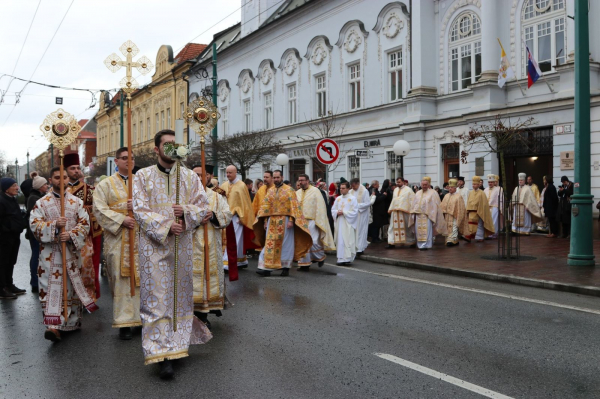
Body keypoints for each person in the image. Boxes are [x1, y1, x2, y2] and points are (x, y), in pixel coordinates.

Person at [132, 130, 211, 378]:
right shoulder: (142, 176)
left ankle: (176, 348)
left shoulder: (189, 176)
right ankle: (158, 352)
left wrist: (185, 212)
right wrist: (166, 225)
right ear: (156, 149)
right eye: (166, 144)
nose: (170, 148)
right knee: (155, 299)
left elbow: (203, 207)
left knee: (179, 297)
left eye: (174, 144)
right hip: (152, 247)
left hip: (182, 245)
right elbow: (139, 208)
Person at [29, 167, 98, 341]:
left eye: (64, 177)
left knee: (70, 288)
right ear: (50, 180)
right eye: (57, 177)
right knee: (50, 287)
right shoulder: (42, 203)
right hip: (50, 255)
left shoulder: (76, 202)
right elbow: (34, 225)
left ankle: (70, 322)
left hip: (71, 253)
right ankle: (53, 326)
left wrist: (71, 234)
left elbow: (85, 224)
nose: (61, 180)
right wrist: (53, 226)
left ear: (68, 179)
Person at [93, 147, 142, 340]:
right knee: (120, 278)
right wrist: (122, 219)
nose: (128, 161)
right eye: (124, 158)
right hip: (118, 239)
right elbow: (98, 209)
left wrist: (137, 207)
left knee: (142, 279)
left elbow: (155, 206)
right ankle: (124, 323)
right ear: (116, 161)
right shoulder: (105, 185)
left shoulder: (142, 182)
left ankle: (140, 318)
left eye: (131, 158)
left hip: (140, 237)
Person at [191, 165, 232, 329]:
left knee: (208, 279)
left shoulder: (216, 197)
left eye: (202, 175)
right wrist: (195, 218)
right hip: (191, 245)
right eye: (195, 175)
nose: (199, 178)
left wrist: (213, 215)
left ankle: (203, 314)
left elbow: (227, 215)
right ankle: (190, 313)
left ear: (208, 176)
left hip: (211, 244)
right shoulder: (183, 196)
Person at [253, 170, 311, 276]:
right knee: (269, 244)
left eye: (277, 177)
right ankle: (266, 268)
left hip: (285, 221)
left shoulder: (289, 190)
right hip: (272, 221)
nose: (276, 179)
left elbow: (294, 207)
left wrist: (291, 220)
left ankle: (285, 267)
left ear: (282, 177)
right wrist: (265, 221)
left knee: (286, 245)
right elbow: (265, 207)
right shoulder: (270, 191)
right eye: (274, 178)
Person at [64, 153, 102, 300]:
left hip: (86, 236)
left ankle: (88, 296)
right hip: (65, 235)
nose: (76, 171)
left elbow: (97, 210)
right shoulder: (58, 190)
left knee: (86, 266)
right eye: (72, 168)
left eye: (77, 168)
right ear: (65, 170)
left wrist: (83, 210)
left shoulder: (90, 190)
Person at [220, 165, 256, 275]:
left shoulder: (241, 186)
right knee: (232, 240)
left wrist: (243, 217)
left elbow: (245, 203)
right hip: (225, 216)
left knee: (234, 240)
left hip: (236, 217)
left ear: (236, 172)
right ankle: (241, 260)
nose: (228, 174)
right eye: (227, 172)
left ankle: (227, 263)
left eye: (230, 172)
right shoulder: (224, 185)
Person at [296, 174, 335, 270]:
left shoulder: (315, 191)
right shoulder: (297, 193)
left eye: (302, 180)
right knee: (302, 242)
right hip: (300, 221)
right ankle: (304, 264)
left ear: (307, 180)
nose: (300, 182)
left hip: (312, 220)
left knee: (313, 242)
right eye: (299, 180)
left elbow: (321, 206)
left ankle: (320, 258)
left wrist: (320, 220)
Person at [0, 177, 26, 299]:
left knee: (11, 261)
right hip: (5, 238)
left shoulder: (12, 199)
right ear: (6, 189)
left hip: (14, 236)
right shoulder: (1, 201)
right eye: (14, 185)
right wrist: (8, 229)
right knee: (3, 262)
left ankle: (9, 284)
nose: (17, 188)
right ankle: (2, 288)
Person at [26, 176, 49, 293]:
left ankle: (37, 280)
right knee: (36, 255)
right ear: (40, 186)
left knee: (37, 255)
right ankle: (35, 282)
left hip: (37, 232)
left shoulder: (36, 196)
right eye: (45, 184)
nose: (47, 186)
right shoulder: (34, 198)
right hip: (35, 232)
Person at [409, 177, 446, 250]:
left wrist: (433, 213)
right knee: (418, 230)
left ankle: (427, 245)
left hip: (428, 215)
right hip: (418, 215)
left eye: (426, 184)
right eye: (423, 184)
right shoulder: (418, 193)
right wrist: (413, 213)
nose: (424, 186)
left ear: (428, 185)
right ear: (421, 185)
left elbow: (436, 205)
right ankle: (420, 245)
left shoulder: (433, 193)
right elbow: (414, 203)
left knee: (427, 230)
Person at [332, 182, 358, 265]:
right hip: (340, 222)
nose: (341, 190)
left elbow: (355, 211)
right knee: (340, 240)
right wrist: (337, 212)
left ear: (348, 189)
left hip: (348, 222)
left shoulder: (353, 199)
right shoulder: (338, 198)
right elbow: (333, 209)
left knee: (348, 240)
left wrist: (344, 212)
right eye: (340, 188)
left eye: (343, 188)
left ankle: (347, 258)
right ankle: (340, 258)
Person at [386, 177, 416, 248]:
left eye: (399, 182)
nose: (398, 183)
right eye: (397, 182)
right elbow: (394, 199)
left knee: (406, 227)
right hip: (395, 211)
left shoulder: (408, 190)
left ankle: (410, 242)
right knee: (392, 227)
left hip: (404, 211)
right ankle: (392, 242)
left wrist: (411, 210)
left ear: (403, 182)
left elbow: (412, 199)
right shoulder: (395, 190)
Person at [440, 179, 470, 247]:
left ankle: (453, 240)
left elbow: (461, 208)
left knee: (454, 227)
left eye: (451, 187)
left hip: (454, 216)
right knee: (447, 228)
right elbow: (442, 205)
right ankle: (452, 240)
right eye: (449, 187)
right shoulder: (446, 195)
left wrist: (458, 215)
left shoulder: (458, 196)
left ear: (455, 188)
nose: (450, 188)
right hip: (447, 215)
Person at [465, 176, 495, 242]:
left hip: (479, 212)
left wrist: (479, 210)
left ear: (478, 185)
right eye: (473, 184)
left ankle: (480, 237)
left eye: (475, 184)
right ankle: (470, 236)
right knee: (470, 225)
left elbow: (483, 204)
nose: (473, 185)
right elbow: (468, 201)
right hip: (471, 212)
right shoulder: (471, 192)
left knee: (479, 225)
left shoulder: (482, 193)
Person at [349, 177, 371, 255]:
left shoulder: (364, 191)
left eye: (354, 186)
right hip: (353, 216)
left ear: (358, 184)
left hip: (361, 215)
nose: (353, 187)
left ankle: (360, 249)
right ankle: (353, 247)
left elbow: (367, 203)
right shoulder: (350, 191)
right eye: (351, 186)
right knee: (353, 231)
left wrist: (356, 206)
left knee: (361, 231)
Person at [483, 174, 503, 239]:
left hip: (495, 207)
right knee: (487, 221)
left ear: (494, 182)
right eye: (489, 182)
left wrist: (500, 208)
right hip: (487, 208)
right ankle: (487, 233)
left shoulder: (498, 189)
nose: (490, 183)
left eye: (491, 182)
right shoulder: (485, 190)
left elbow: (500, 199)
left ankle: (493, 233)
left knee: (494, 221)